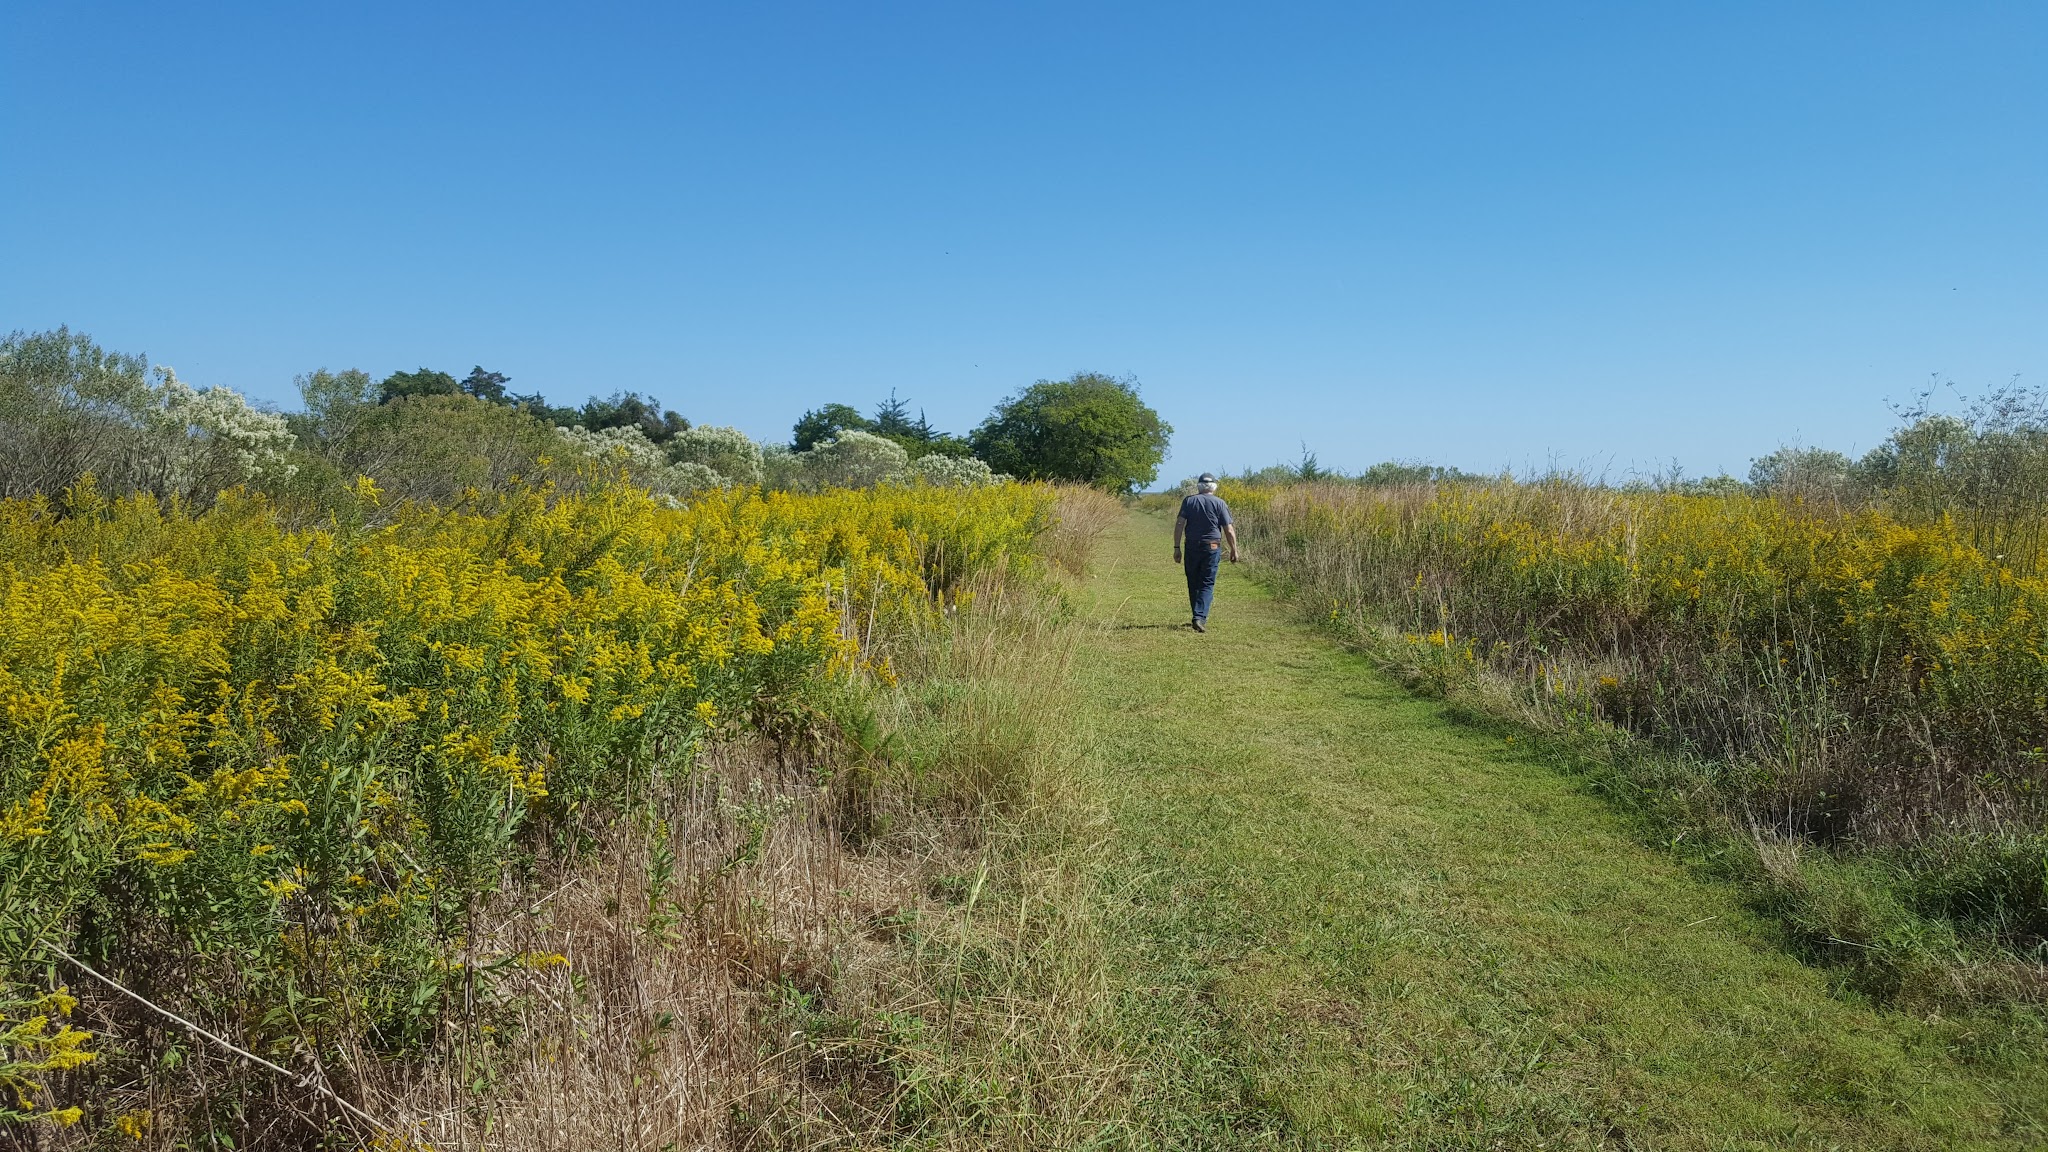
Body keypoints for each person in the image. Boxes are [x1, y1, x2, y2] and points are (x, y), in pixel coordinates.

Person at [1173, 473, 1239, 632]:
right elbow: (1228, 530)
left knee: (1193, 580)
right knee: (1207, 582)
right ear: (1214, 487)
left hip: (1191, 546)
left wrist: (1176, 547)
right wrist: (1234, 550)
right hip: (1212, 546)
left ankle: (1197, 615)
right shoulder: (1220, 503)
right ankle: (1199, 617)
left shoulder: (1189, 501)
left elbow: (1180, 524)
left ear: (1199, 486)